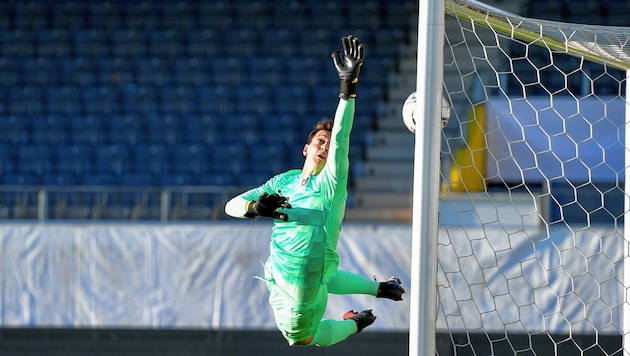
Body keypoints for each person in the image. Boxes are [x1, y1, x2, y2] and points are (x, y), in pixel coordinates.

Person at [224, 34, 404, 347]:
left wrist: (347, 90)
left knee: (305, 337)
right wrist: (253, 209)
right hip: (279, 278)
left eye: (328, 143)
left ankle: (353, 324)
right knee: (322, 276)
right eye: (320, 140)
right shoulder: (284, 182)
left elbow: (342, 138)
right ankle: (379, 292)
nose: (326, 145)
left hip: (299, 297)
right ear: (306, 148)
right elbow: (231, 205)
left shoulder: (331, 183)